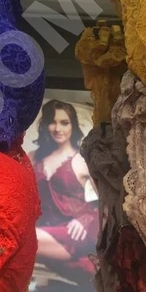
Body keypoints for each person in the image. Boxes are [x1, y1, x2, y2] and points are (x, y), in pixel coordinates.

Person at [29, 100, 98, 267]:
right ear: (45, 125)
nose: (58, 129)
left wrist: (86, 218)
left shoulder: (82, 160)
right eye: (52, 122)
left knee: (21, 240)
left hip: (76, 230)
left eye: (64, 123)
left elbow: (105, 201)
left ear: (72, 125)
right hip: (44, 227)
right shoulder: (32, 157)